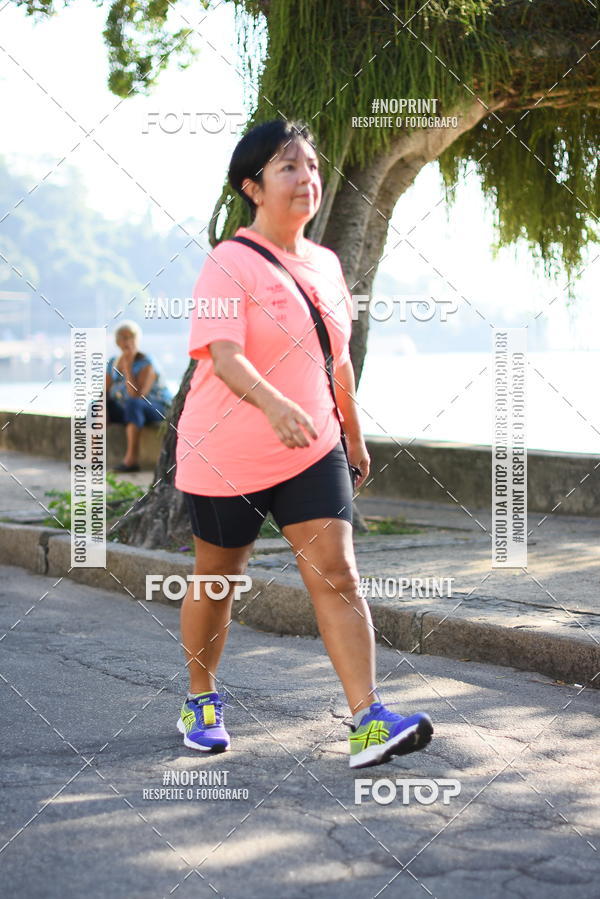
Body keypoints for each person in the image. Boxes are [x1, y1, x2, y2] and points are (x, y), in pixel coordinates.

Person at [174, 119, 433, 769]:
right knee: (219, 581)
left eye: (312, 167)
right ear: (252, 186)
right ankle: (200, 696)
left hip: (310, 448)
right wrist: (272, 402)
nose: (307, 178)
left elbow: (337, 357)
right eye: (289, 167)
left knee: (339, 572)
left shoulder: (326, 264)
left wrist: (353, 430)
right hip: (225, 450)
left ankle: (368, 719)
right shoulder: (227, 262)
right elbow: (225, 356)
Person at [105, 321, 172, 472]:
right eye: (123, 337)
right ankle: (92, 457)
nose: (127, 341)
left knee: (133, 404)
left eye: (131, 337)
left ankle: (131, 460)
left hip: (155, 406)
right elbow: (105, 392)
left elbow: (137, 395)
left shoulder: (147, 363)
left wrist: (128, 367)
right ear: (117, 342)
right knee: (97, 406)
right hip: (128, 406)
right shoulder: (112, 363)